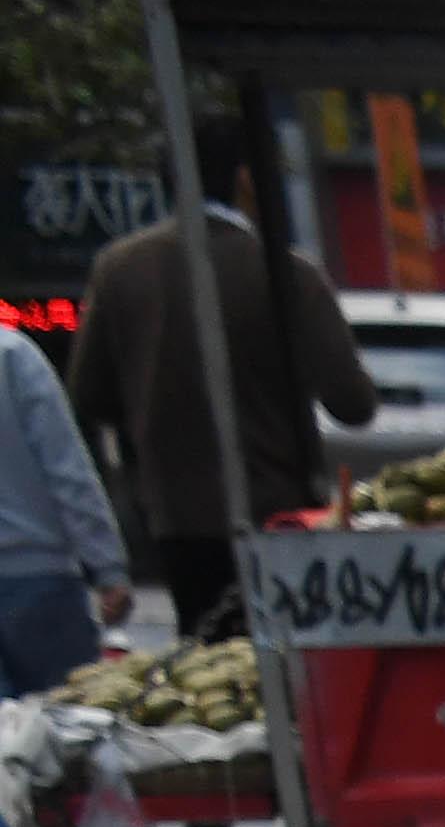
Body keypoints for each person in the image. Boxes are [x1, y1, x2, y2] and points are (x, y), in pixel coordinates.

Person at [69, 119, 372, 643]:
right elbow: (353, 403)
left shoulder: (119, 270)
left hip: (175, 520)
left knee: (211, 680)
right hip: (282, 515)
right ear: (246, 180)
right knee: (290, 666)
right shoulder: (286, 273)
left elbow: (88, 396)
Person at [1, 326, 136, 827]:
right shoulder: (10, 354)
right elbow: (65, 464)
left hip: (37, 579)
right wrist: (106, 565)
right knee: (70, 742)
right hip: (38, 580)